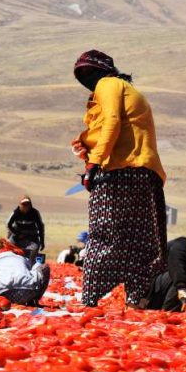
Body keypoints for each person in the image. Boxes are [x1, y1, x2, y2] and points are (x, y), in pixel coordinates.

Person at [70, 49, 167, 308]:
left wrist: (94, 162)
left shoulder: (108, 84)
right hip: (145, 173)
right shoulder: (126, 89)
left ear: (103, 70)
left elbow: (111, 121)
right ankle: (138, 299)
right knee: (141, 240)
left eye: (90, 72)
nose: (88, 79)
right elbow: (111, 128)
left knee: (105, 233)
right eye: (83, 75)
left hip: (120, 172)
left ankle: (89, 300)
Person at [0, 238, 50, 306]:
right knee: (43, 267)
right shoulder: (22, 258)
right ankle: (34, 301)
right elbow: (30, 271)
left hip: (2, 297)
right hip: (28, 293)